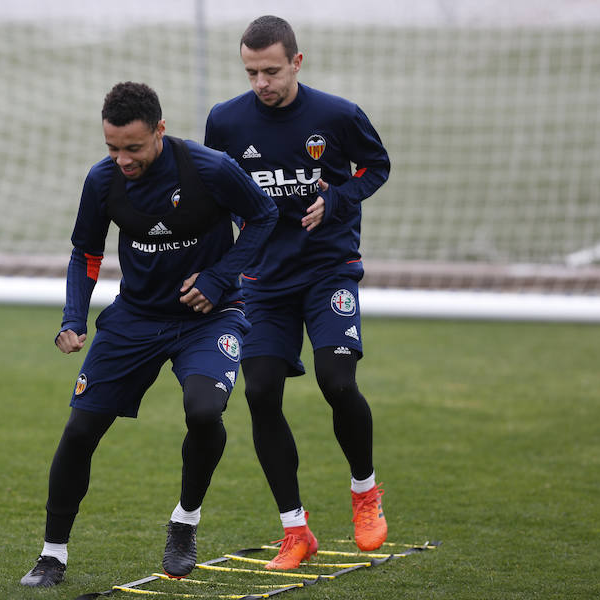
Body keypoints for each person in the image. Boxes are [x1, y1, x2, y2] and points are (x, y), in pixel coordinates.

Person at [19, 82, 278, 588]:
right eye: (112, 147)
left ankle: (184, 522)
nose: (122, 158)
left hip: (209, 317)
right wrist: (73, 318)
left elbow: (264, 216)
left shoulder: (210, 170)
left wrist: (219, 278)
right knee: (79, 432)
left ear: (160, 130)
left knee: (204, 410)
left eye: (133, 147)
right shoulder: (102, 181)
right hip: (134, 319)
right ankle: (52, 554)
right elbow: (85, 253)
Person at [204, 15, 391, 568]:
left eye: (272, 71)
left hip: (329, 271)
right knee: (259, 393)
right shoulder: (226, 121)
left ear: (297, 62)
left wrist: (336, 199)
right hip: (261, 283)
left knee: (337, 380)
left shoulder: (337, 115)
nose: (261, 82)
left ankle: (365, 491)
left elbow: (376, 167)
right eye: (251, 71)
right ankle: (295, 530)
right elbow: (219, 195)